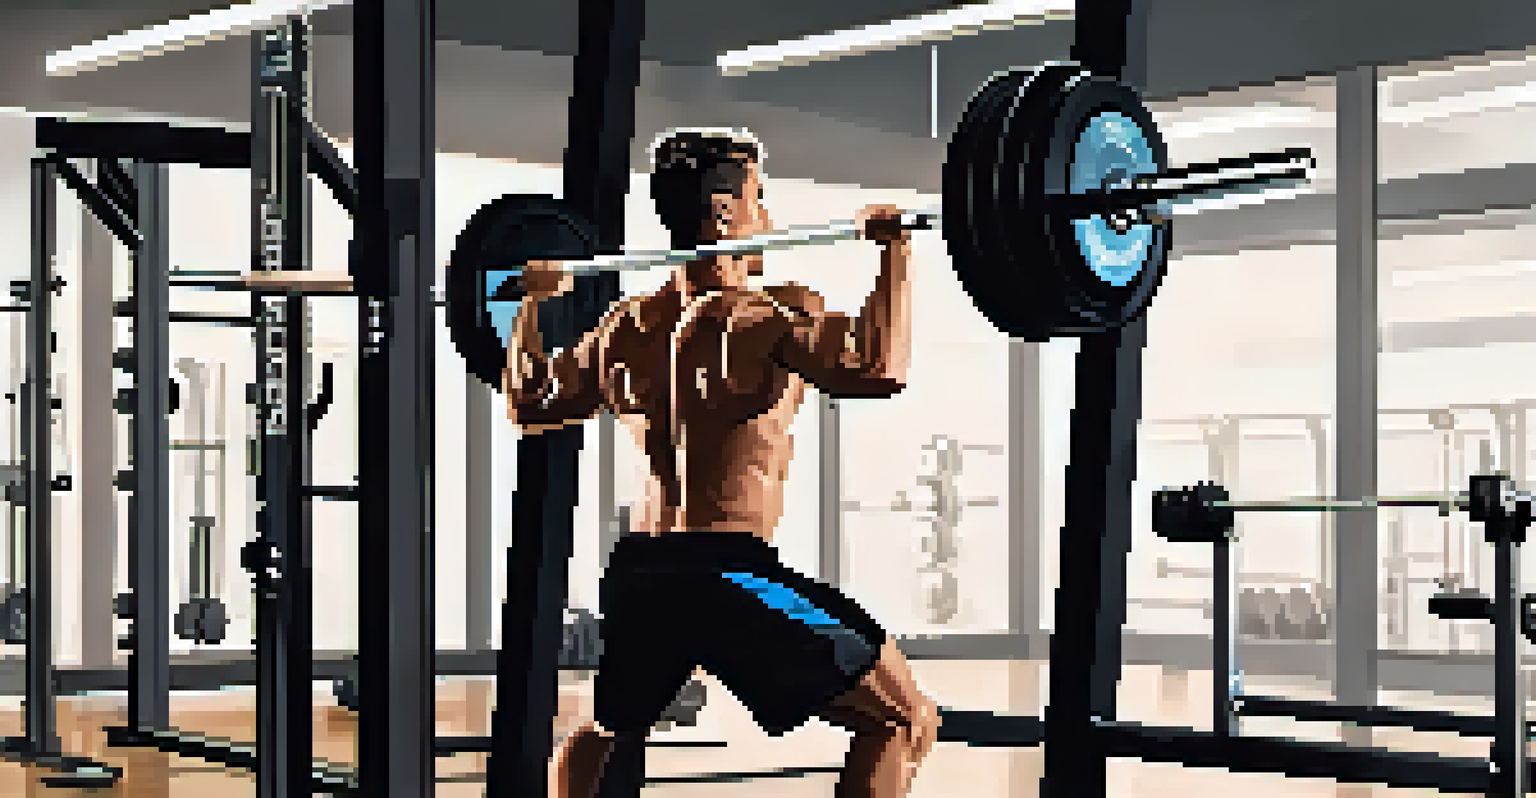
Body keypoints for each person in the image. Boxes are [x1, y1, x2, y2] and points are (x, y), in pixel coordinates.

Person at [503, 127, 941, 798]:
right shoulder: (759, 319)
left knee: (603, 730)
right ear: (725, 212)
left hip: (644, 570)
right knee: (904, 719)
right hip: (727, 570)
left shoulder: (627, 326)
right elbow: (878, 368)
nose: (768, 219)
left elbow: (531, 403)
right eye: (759, 199)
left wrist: (529, 305)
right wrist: (895, 253)